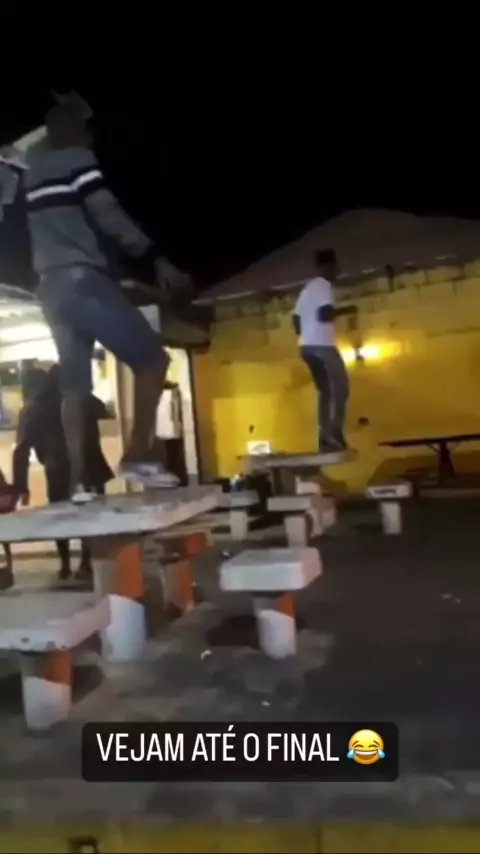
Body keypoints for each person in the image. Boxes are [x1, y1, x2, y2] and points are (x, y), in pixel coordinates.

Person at [24, 96, 192, 501]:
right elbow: (107, 213)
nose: (90, 138)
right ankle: (137, 455)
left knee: (74, 387)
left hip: (49, 288)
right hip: (83, 281)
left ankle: (80, 481)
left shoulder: (30, 171)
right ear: (71, 131)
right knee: (152, 361)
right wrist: (155, 258)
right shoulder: (77, 160)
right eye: (85, 129)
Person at [12, 365, 114, 581]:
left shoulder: (32, 408)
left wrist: (21, 486)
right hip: (90, 466)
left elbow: (21, 450)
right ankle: (87, 562)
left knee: (60, 517)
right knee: (91, 517)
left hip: (58, 469)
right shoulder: (77, 399)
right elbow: (103, 409)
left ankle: (65, 565)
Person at [292, 249, 357, 453]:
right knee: (341, 387)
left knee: (325, 391)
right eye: (336, 267)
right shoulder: (324, 285)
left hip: (306, 348)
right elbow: (324, 314)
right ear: (329, 266)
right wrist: (347, 310)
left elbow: (295, 321)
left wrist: (307, 333)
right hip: (322, 347)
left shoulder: (306, 290)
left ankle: (323, 438)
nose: (338, 271)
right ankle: (334, 431)